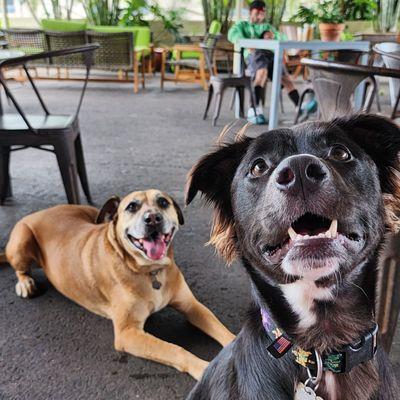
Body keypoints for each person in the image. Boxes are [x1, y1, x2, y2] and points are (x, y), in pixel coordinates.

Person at [228, 0, 317, 124]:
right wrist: (247, 42)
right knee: (261, 73)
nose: (260, 16)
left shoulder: (267, 27)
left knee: (285, 78)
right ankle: (254, 110)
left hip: (271, 55)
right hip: (255, 56)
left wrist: (274, 36)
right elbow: (232, 34)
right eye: (257, 13)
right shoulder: (242, 26)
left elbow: (283, 37)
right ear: (251, 12)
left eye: (262, 14)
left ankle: (299, 105)